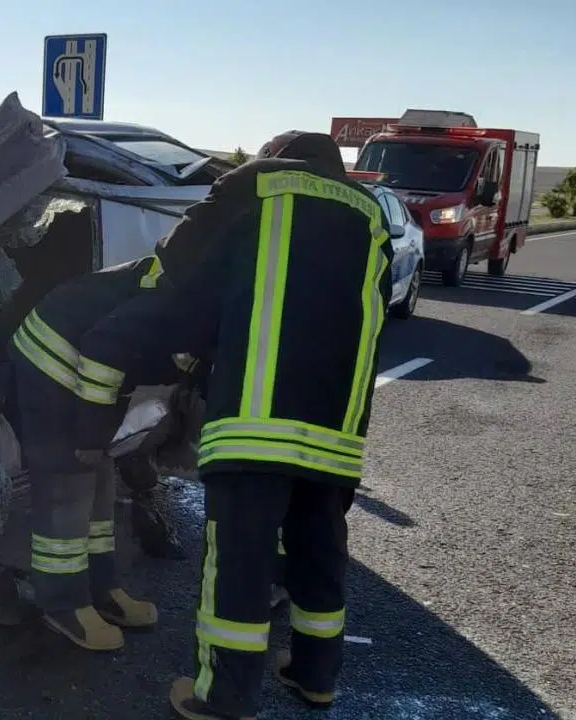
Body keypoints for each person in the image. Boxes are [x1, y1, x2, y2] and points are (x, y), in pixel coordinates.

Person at [153, 131, 394, 719]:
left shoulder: (254, 185)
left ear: (274, 156)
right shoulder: (370, 213)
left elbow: (177, 263)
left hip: (254, 418)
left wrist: (183, 353)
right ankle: (315, 677)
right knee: (319, 550)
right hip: (337, 427)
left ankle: (224, 696)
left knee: (239, 558)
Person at [7, 253, 214, 651]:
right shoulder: (192, 304)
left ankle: (100, 588)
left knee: (99, 471)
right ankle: (63, 605)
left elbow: (128, 365)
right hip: (53, 351)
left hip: (91, 358)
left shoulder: (210, 304)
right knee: (68, 477)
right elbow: (105, 349)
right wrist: (89, 435)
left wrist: (99, 438)